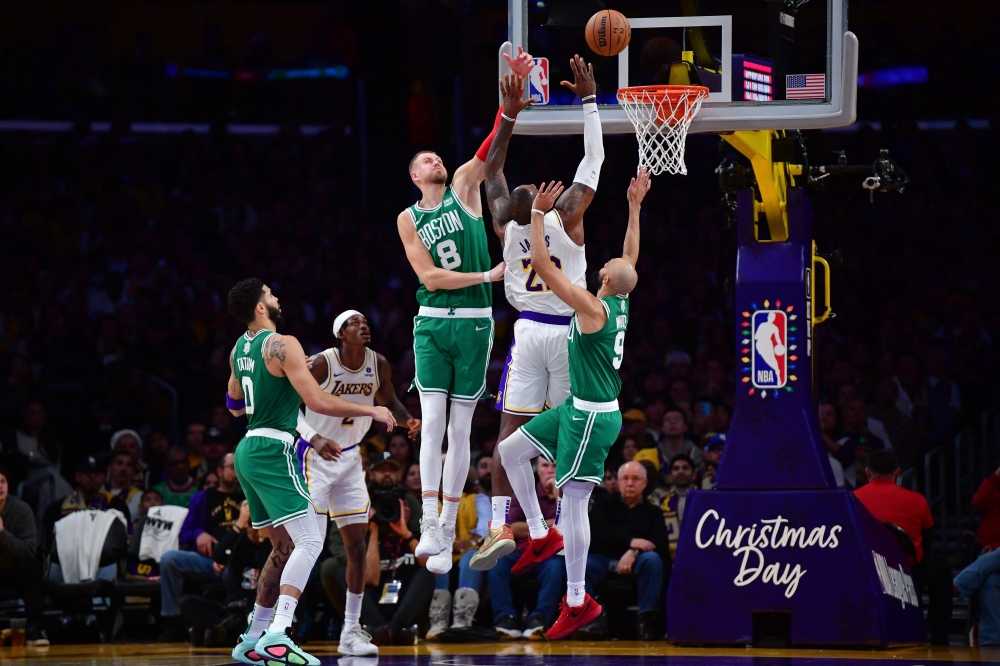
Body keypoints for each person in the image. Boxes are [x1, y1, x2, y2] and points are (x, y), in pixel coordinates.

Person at [483, 171, 649, 640]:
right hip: (578, 405)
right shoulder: (620, 298)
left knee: (575, 504)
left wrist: (537, 215)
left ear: (600, 277)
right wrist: (634, 207)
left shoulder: (591, 308)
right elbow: (629, 256)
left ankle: (576, 601)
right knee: (510, 451)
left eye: (604, 265)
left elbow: (542, 262)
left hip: (592, 417)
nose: (607, 262)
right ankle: (538, 531)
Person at [395, 48, 535, 571]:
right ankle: (431, 522)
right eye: (424, 160)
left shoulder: (462, 188)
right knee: (431, 423)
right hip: (433, 323)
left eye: (436, 157)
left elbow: (488, 152)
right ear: (414, 178)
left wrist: (510, 109)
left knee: (460, 429)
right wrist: (486, 275)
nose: (434, 160)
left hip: (475, 322)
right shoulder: (408, 219)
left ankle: (447, 519)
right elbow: (428, 277)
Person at [224, 278, 395, 665]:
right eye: (270, 294)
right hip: (274, 449)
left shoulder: (239, 347)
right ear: (260, 308)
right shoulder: (285, 344)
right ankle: (279, 633)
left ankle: (252, 636)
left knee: (283, 547)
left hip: (247, 448)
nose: (276, 296)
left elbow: (234, 405)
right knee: (310, 542)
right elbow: (316, 400)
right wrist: (370, 409)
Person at [472, 58, 602, 570]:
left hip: (531, 335)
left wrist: (507, 115)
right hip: (562, 333)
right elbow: (592, 160)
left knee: (511, 434)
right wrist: (590, 100)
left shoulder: (506, 228)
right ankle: (526, 526)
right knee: (549, 434)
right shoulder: (566, 215)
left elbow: (494, 169)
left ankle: (513, 525)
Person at [295, 309, 419, 656]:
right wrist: (313, 438)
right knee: (308, 545)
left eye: (365, 321)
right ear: (340, 334)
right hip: (316, 457)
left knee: (357, 547)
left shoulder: (378, 363)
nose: (363, 326)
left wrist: (408, 419)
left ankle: (350, 631)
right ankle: (280, 623)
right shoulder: (322, 363)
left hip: (350, 458)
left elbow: (388, 399)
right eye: (354, 323)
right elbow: (288, 405)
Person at [853, 449, 951, 645]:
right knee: (941, 565)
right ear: (897, 472)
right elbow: (927, 540)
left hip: (865, 572)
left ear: (867, 472)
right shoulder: (918, 501)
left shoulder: (852, 499)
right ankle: (939, 638)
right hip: (908, 573)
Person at [158, 453, 245, 641]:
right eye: (232, 467)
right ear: (220, 471)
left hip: (240, 562)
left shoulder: (250, 496)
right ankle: (173, 622)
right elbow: (184, 533)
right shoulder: (202, 498)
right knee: (169, 559)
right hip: (208, 561)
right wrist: (199, 534)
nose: (238, 472)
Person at [586, 461, 670, 639]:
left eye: (635, 479)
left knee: (653, 560)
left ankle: (647, 620)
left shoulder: (653, 512)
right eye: (625, 478)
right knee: (578, 565)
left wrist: (634, 552)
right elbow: (596, 532)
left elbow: (660, 543)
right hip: (603, 559)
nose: (630, 483)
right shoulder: (603, 503)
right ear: (618, 481)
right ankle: (590, 620)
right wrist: (631, 542)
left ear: (645, 483)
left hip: (637, 562)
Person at [488, 458, 565, 640]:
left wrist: (557, 498)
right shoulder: (524, 492)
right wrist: (550, 525)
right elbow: (513, 528)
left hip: (550, 556)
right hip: (521, 553)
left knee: (556, 567)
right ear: (537, 470)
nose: (550, 471)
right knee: (495, 562)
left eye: (555, 466)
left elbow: (569, 529)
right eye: (545, 466)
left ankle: (539, 619)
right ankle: (506, 618)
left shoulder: (569, 495)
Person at [361, 454, 434, 646]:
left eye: (391, 470)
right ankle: (382, 628)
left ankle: (389, 630)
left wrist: (406, 532)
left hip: (405, 598)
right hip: (378, 596)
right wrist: (374, 531)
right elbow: (372, 578)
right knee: (344, 572)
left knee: (428, 571)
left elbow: (430, 568)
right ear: (371, 473)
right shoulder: (364, 504)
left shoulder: (409, 502)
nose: (386, 474)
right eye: (381, 470)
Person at [178, 500, 272, 647]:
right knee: (187, 602)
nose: (255, 532)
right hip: (231, 608)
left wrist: (265, 539)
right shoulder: (239, 539)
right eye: (252, 527)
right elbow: (219, 556)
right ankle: (226, 632)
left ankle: (222, 633)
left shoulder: (273, 545)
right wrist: (239, 523)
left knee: (258, 622)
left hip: (258, 612)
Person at [428, 466, 490, 639]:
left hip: (471, 548)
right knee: (437, 560)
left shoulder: (478, 499)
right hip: (442, 550)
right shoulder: (432, 504)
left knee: (470, 558)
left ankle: (462, 619)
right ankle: (437, 620)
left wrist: (469, 542)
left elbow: (487, 530)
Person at [0, 467, 47, 646]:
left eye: (2, 481)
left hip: (15, 569)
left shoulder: (21, 509)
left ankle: (35, 629)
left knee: (31, 565)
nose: (0, 486)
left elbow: (29, 550)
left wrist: (2, 532)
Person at [954, 465, 1000, 645]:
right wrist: (995, 476)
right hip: (993, 561)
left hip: (992, 553)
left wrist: (996, 546)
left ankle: (959, 585)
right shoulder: (996, 495)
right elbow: (978, 502)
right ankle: (991, 643)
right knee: (991, 582)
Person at [654, 453, 696, 558]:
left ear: (694, 475)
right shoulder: (660, 504)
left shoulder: (706, 501)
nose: (680, 471)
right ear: (670, 476)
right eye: (676, 469)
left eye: (685, 468)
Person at [106, 449, 143, 519]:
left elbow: (126, 519)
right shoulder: (99, 492)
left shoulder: (138, 495)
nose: (123, 468)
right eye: (119, 463)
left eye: (128, 465)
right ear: (109, 468)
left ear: (133, 472)